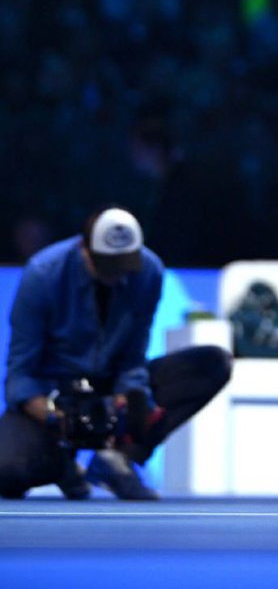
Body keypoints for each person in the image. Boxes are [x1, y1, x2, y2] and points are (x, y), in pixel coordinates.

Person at [0, 207, 231, 501]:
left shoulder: (148, 271)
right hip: (53, 396)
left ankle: (118, 459)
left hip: (110, 387)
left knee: (212, 364)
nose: (116, 273)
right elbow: (20, 373)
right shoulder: (43, 274)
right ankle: (61, 466)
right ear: (84, 250)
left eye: (123, 264)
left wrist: (130, 399)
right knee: (6, 471)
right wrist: (53, 417)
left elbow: (134, 355)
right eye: (107, 264)